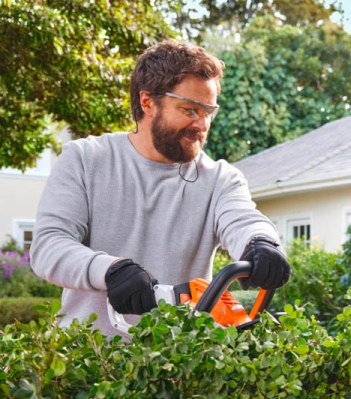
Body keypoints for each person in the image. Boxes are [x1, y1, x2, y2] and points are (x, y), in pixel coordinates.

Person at [30, 39, 290, 337]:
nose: (202, 125)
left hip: (179, 363)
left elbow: (244, 219)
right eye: (190, 110)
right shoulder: (86, 159)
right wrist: (110, 270)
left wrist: (263, 243)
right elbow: (49, 246)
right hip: (88, 360)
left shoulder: (220, 178)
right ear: (147, 102)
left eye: (209, 112)